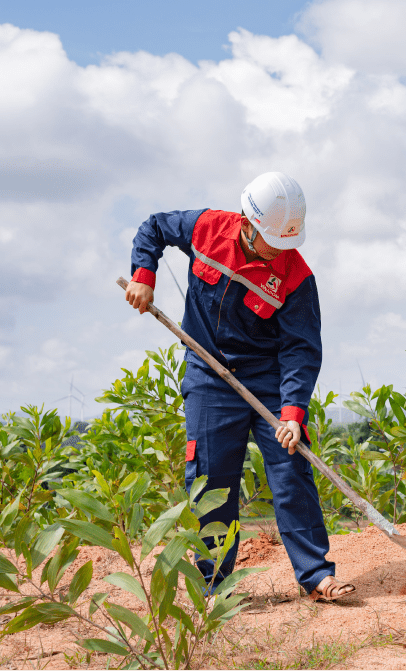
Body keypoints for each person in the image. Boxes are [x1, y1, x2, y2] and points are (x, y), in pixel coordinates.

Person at [125, 171, 353, 601]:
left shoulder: (295, 276)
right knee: (211, 479)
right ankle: (214, 585)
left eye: (288, 241)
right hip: (208, 374)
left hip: (268, 381)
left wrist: (292, 413)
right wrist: (143, 274)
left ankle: (316, 576)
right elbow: (154, 227)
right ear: (248, 223)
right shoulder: (206, 228)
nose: (281, 250)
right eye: (274, 240)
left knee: (290, 468)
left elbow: (301, 349)